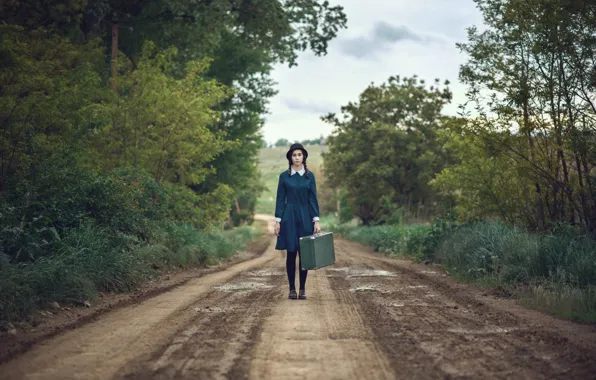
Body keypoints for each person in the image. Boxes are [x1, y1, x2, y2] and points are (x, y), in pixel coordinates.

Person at [274, 143, 321, 300]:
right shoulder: (284, 176)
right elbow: (280, 199)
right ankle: (292, 289)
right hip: (289, 217)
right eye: (294, 155)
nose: (297, 158)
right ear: (290, 158)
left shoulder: (310, 176)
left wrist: (316, 220)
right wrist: (278, 221)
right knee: (291, 253)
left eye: (299, 155)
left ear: (304, 157)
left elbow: (313, 199)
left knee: (305, 254)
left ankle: (302, 289)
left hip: (306, 216)